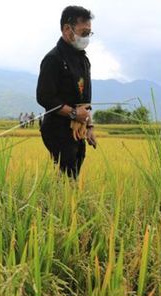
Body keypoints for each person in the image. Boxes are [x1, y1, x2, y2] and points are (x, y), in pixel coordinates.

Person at [36, 6, 97, 179]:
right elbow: (44, 97)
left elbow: (85, 99)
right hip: (57, 128)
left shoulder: (83, 59)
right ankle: (61, 204)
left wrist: (89, 125)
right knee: (67, 171)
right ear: (66, 29)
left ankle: (64, 202)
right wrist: (73, 113)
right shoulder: (53, 59)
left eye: (89, 33)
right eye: (83, 32)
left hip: (78, 128)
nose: (86, 37)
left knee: (75, 167)